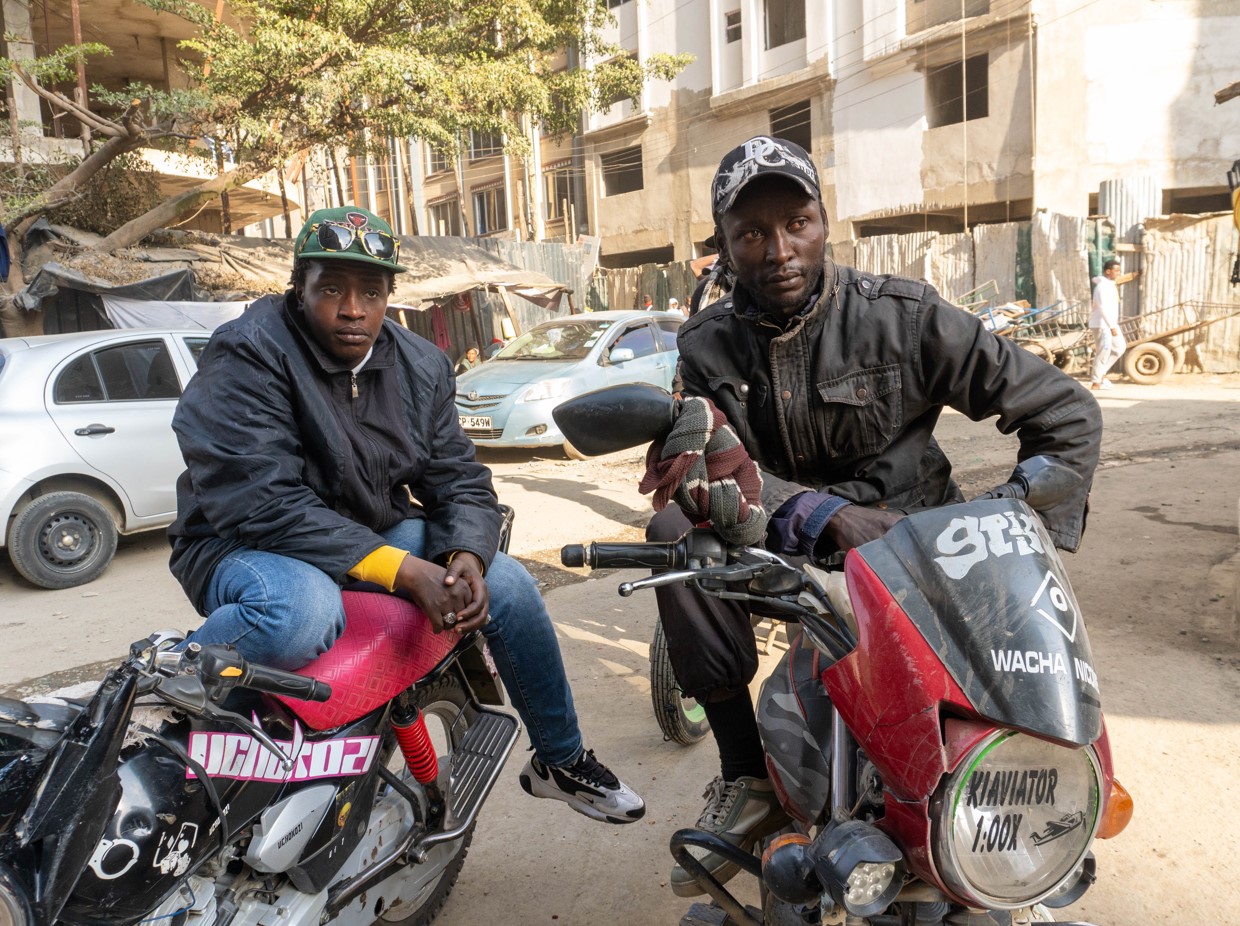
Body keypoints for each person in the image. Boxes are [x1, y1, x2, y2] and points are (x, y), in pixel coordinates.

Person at [647, 137, 1102, 896]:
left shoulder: (905, 315)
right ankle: (743, 774)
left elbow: (1067, 413)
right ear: (724, 248)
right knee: (671, 535)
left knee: (985, 722)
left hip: (924, 551)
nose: (780, 250)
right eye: (751, 233)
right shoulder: (706, 345)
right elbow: (703, 467)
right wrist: (823, 515)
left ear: (826, 220)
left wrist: (1009, 521)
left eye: (797, 222)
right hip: (786, 550)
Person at [169, 206, 645, 826]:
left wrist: (464, 557)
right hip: (244, 543)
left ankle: (559, 760)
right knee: (301, 613)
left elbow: (459, 481)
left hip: (367, 536)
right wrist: (404, 570)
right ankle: (171, 691)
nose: (352, 309)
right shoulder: (249, 352)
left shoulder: (420, 367)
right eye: (331, 288)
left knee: (507, 582)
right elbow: (260, 501)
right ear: (299, 286)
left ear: (390, 295)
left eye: (371, 291)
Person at [1089, 258, 1125, 389]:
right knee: (1104, 351)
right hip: (1102, 324)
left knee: (1119, 347)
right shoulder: (1102, 287)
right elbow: (1102, 307)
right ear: (1108, 271)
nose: (1118, 273)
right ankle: (1096, 382)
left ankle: (1101, 373)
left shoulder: (1110, 285)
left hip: (1110, 323)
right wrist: (1111, 326)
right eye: (1116, 271)